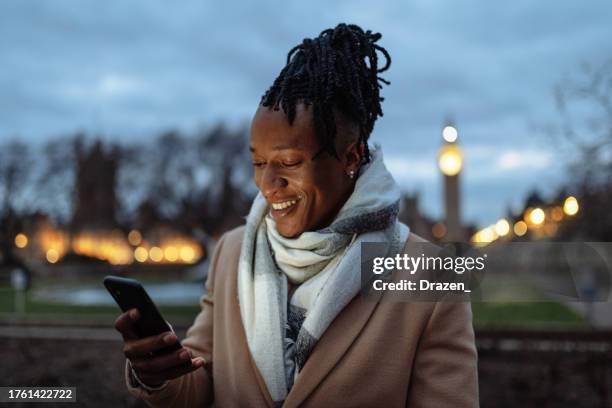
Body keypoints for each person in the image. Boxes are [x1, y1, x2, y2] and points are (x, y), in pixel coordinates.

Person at [115, 23, 478, 407]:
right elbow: (201, 383)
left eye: (289, 162)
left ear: (351, 157)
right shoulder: (232, 253)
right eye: (257, 162)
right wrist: (160, 375)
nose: (268, 184)